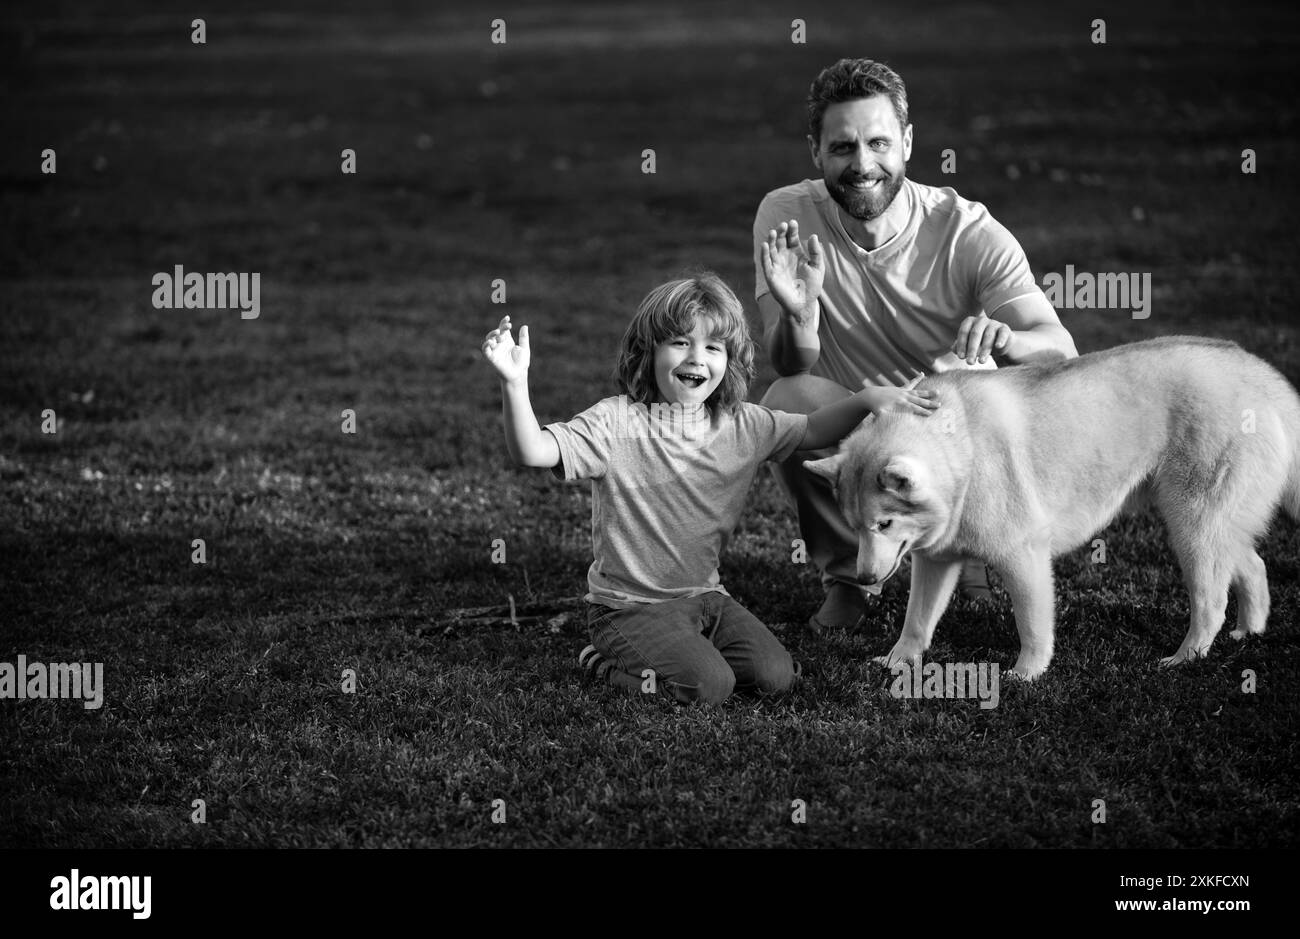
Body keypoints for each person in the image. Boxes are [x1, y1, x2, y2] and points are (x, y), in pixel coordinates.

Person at [480, 272, 938, 705]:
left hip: (706, 598)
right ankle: (602, 662)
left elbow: (814, 429)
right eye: (680, 342)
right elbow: (533, 451)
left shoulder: (743, 425)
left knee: (775, 678)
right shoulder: (613, 423)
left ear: (729, 362)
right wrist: (514, 384)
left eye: (713, 346)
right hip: (629, 609)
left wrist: (867, 400)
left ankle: (686, 646)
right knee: (707, 687)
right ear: (648, 352)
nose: (697, 357)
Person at [754, 57, 1078, 633]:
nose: (862, 164)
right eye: (843, 148)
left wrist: (1009, 337)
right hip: (856, 411)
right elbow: (786, 363)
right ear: (815, 151)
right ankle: (848, 578)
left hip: (949, 423)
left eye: (879, 143)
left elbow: (1062, 354)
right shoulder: (786, 214)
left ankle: (969, 544)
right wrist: (801, 315)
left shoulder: (969, 231)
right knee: (786, 398)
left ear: (906, 140)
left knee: (985, 415)